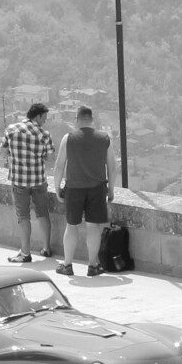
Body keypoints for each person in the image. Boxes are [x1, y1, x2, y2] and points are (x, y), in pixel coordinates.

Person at [0, 102, 60, 264]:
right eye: (44, 117)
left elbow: (3, 152)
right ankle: (46, 248)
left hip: (19, 180)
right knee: (42, 213)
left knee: (23, 216)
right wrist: (38, 156)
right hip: (39, 180)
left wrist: (15, 155)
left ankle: (25, 252)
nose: (45, 121)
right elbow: (50, 159)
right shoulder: (44, 134)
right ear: (37, 116)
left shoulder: (11, 130)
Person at [56, 105, 112, 276]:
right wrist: (111, 189)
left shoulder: (69, 138)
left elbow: (59, 166)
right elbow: (112, 167)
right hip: (97, 188)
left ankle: (67, 265)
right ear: (91, 120)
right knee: (93, 226)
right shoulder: (104, 138)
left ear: (77, 120)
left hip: (74, 188)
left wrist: (57, 188)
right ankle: (93, 266)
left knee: (71, 226)